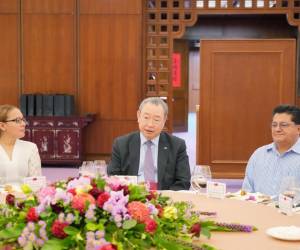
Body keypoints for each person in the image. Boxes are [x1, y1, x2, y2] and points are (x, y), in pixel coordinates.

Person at [108, 97, 191, 190]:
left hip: (164, 199)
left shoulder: (177, 145)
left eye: (156, 120)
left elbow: (183, 181)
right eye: (146, 117)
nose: (150, 124)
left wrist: (162, 198)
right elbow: (113, 178)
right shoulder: (121, 144)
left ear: (164, 121)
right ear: (138, 116)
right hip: (132, 197)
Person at [242, 104, 300, 196]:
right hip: (257, 209)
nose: (277, 129)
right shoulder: (259, 154)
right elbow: (247, 191)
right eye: (274, 125)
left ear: (298, 129)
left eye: (283, 125)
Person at [0, 104, 41, 184]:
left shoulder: (31, 148)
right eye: (17, 121)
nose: (23, 124)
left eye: (23, 120)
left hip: (25, 196)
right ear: (2, 126)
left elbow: (36, 182)